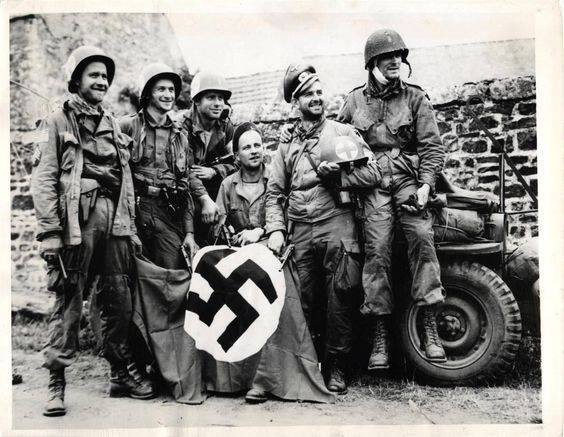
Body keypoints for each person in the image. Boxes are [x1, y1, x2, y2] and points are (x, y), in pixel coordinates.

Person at [31, 46, 153, 417]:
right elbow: (44, 179)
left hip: (115, 222)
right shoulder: (57, 121)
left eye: (105, 76)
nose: (101, 81)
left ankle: (118, 371)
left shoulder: (113, 123)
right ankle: (57, 381)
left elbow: (124, 177)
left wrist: (129, 226)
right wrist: (50, 232)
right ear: (76, 80)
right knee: (68, 301)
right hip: (75, 224)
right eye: (93, 75)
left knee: (118, 300)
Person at [265, 64, 381, 394]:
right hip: (300, 229)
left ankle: (337, 367)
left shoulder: (342, 134)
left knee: (340, 295)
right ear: (294, 101)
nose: (317, 98)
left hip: (336, 223)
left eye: (319, 92)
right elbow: (274, 193)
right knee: (303, 300)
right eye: (308, 94)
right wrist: (275, 229)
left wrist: (338, 177)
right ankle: (309, 365)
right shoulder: (285, 146)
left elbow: (373, 176)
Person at [337, 29, 447, 369]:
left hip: (408, 181)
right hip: (371, 185)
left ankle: (429, 328)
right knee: (377, 250)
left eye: (399, 55)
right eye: (387, 56)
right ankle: (380, 337)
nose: (395, 60)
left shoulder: (415, 98)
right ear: (372, 63)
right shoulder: (354, 101)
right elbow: (335, 141)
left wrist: (427, 185)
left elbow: (431, 146)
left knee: (421, 238)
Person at [119, 62, 209, 269]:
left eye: (171, 90)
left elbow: (184, 185)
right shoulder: (127, 126)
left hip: (167, 213)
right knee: (128, 272)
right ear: (148, 93)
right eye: (161, 89)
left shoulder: (181, 136)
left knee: (173, 272)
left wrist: (189, 233)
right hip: (133, 210)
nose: (168, 95)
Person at [181, 72, 236, 244]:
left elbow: (236, 163)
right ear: (197, 101)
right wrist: (205, 199)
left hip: (216, 189)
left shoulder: (226, 126)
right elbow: (185, 170)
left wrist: (214, 171)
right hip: (187, 193)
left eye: (221, 98)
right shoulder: (182, 127)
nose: (218, 103)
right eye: (211, 97)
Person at [214, 122, 269, 246]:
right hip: (238, 251)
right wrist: (225, 231)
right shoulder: (228, 185)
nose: (254, 151)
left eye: (257, 145)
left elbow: (288, 221)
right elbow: (217, 227)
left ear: (263, 149)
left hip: (270, 250)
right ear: (237, 155)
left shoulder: (275, 180)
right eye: (247, 148)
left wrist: (261, 231)